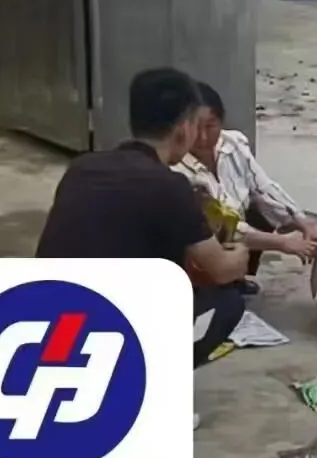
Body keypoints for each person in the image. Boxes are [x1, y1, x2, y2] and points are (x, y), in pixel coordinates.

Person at [36, 68, 250, 422]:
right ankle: (142, 392)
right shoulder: (169, 186)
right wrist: (240, 250)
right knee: (228, 301)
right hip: (106, 335)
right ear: (184, 128)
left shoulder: (82, 168)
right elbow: (222, 269)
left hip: (48, 325)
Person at [173, 82, 317, 288]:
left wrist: (303, 222)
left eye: (210, 126)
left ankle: (239, 276)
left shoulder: (233, 143)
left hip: (234, 224)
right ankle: (218, 282)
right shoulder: (176, 170)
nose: (203, 137)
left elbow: (263, 188)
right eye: (196, 128)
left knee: (262, 210)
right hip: (206, 244)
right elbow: (223, 227)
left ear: (221, 121)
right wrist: (283, 243)